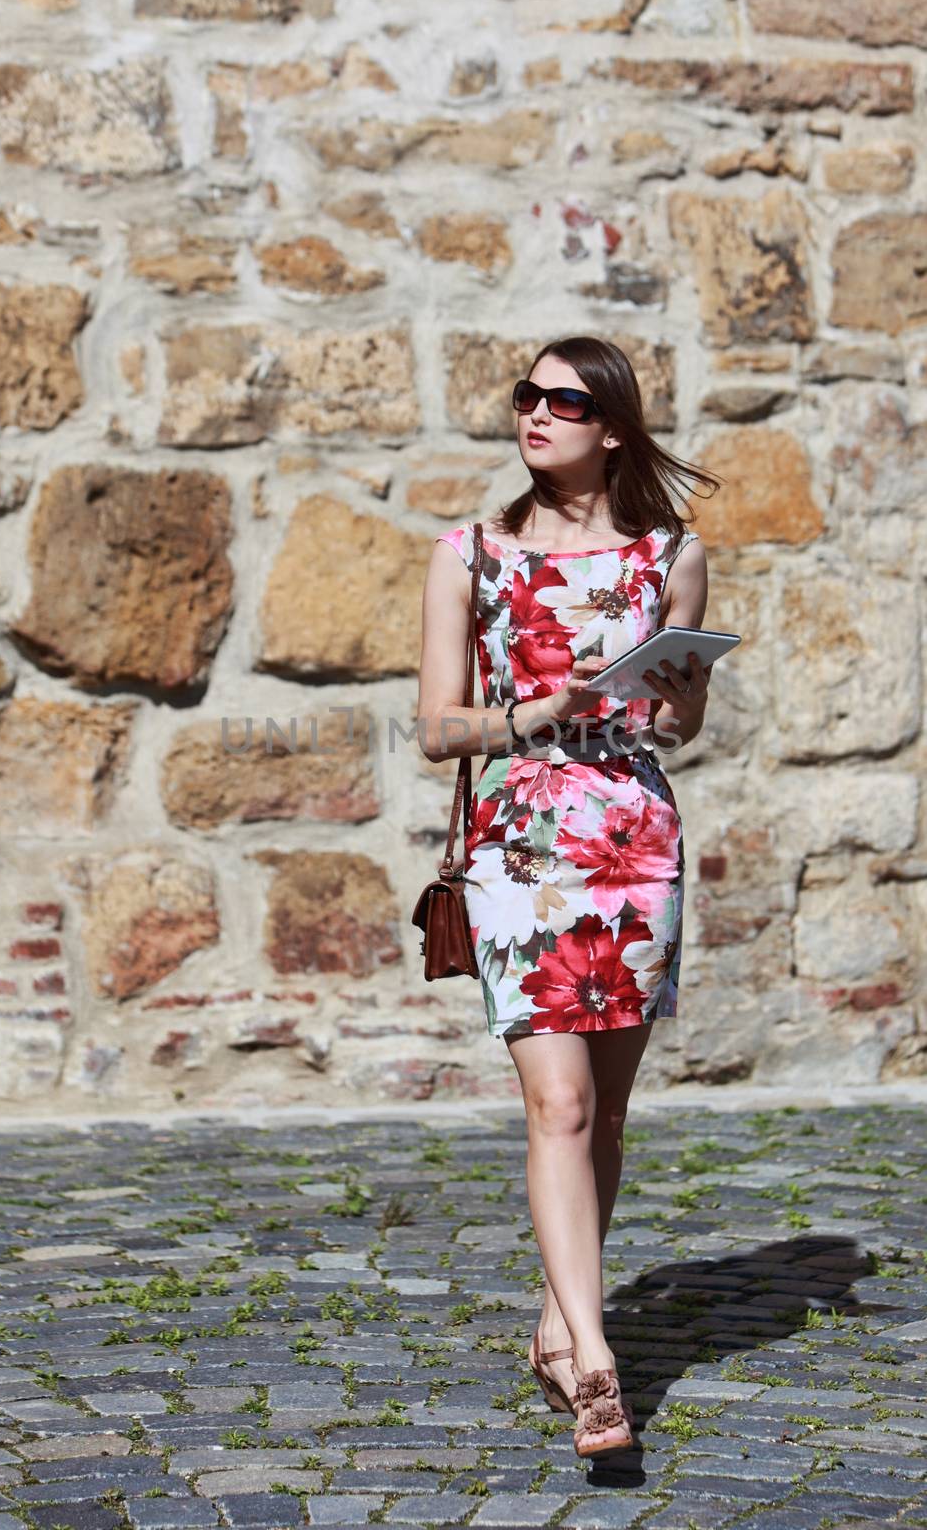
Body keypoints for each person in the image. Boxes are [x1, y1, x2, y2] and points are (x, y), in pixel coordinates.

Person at [415, 335, 722, 1458]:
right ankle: (597, 1366)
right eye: (525, 396)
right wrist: (532, 716)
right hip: (522, 843)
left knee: (606, 1104)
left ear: (614, 429)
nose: (534, 413)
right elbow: (433, 727)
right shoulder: (471, 556)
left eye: (563, 400)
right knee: (558, 1105)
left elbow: (675, 732)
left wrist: (684, 698)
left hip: (636, 838)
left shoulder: (666, 557)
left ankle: (558, 1321)